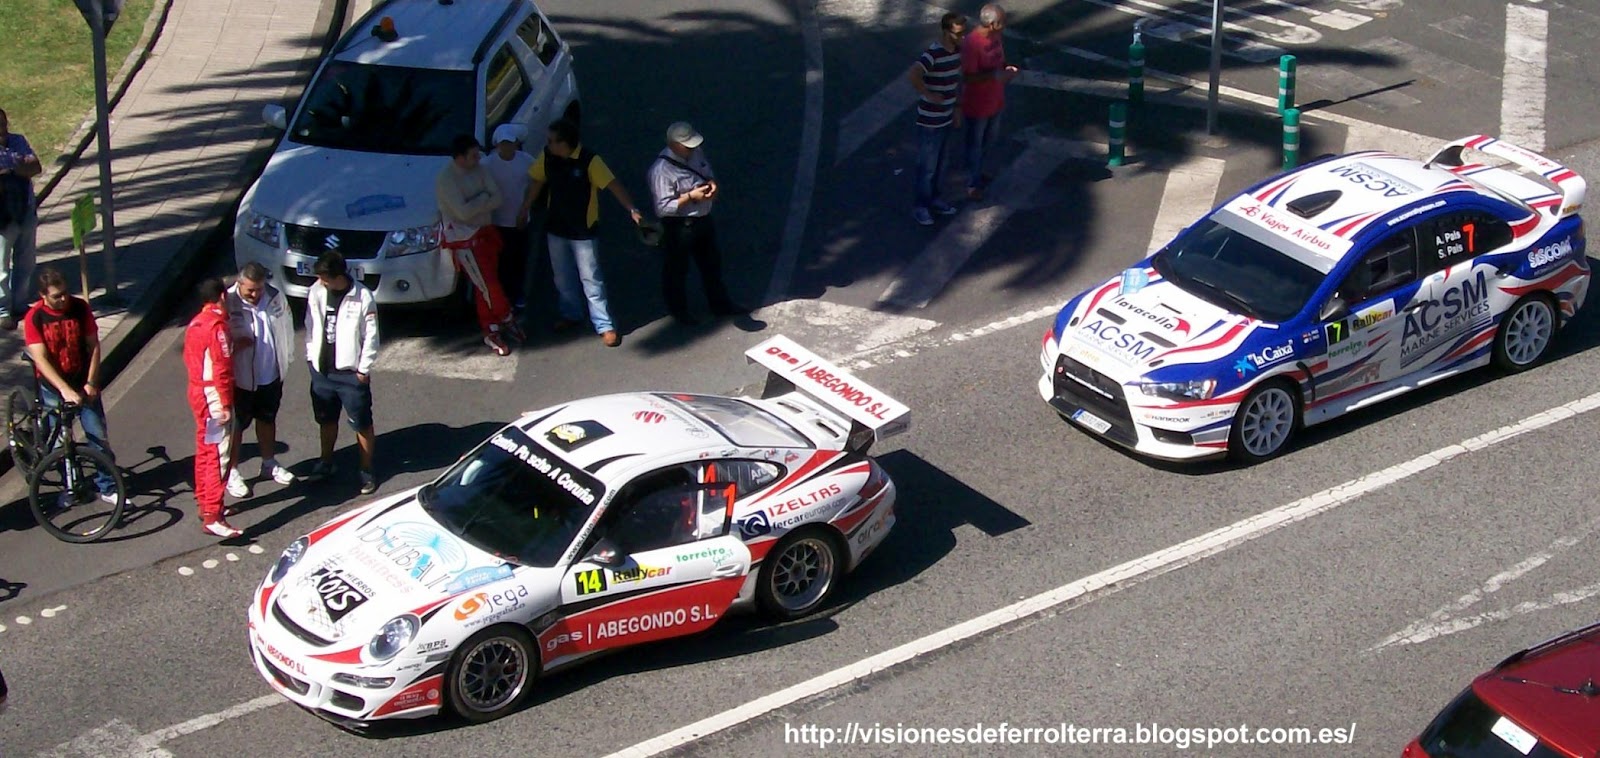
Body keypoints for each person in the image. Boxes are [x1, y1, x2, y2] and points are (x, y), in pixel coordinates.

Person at [520, 118, 644, 348]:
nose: (547, 145)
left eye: (552, 141)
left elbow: (613, 184)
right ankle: (571, 314)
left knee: (591, 279)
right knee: (562, 277)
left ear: (565, 143)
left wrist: (632, 209)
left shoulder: (589, 161)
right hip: (556, 227)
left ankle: (604, 325)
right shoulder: (548, 156)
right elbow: (537, 181)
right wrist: (525, 208)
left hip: (583, 230)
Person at [23, 267, 120, 505]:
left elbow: (93, 345)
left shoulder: (80, 308)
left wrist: (91, 381)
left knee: (97, 436)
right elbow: (41, 358)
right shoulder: (34, 318)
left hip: (82, 381)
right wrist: (64, 389)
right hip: (55, 387)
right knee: (60, 443)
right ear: (43, 295)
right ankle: (70, 486)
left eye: (65, 293)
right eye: (57, 296)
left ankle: (107, 486)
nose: (63, 299)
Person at [647, 122, 747, 323]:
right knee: (676, 271)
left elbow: (706, 172)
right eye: (687, 145)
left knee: (711, 265)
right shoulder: (661, 171)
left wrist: (712, 185)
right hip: (679, 227)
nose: (691, 148)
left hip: (703, 220)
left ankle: (720, 304)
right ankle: (680, 313)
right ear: (674, 144)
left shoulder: (696, 153)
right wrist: (691, 196)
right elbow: (663, 208)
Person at [437, 134, 521, 356]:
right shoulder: (446, 180)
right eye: (473, 156)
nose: (478, 159)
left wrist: (477, 203)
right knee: (488, 284)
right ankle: (503, 318)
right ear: (460, 158)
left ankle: (494, 325)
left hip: (484, 234)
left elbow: (497, 198)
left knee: (484, 284)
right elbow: (462, 213)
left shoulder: (480, 170)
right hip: (465, 242)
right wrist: (484, 199)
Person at [305, 251, 380, 495]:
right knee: (326, 419)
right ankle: (326, 462)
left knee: (361, 423)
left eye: (324, 278)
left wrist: (363, 368)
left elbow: (371, 335)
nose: (320, 282)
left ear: (338, 276)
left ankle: (366, 470)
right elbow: (310, 324)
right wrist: (311, 356)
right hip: (322, 371)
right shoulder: (316, 291)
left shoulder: (362, 297)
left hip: (350, 375)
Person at [224, 262, 297, 498]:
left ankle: (268, 463)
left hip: (270, 375)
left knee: (267, 419)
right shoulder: (226, 302)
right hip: (240, 379)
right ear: (239, 284)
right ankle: (232, 472)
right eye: (250, 291)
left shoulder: (275, 297)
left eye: (259, 289)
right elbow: (215, 343)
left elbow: (286, 327)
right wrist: (235, 346)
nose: (255, 295)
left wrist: (287, 359)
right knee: (237, 427)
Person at [183, 277, 243, 538]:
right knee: (220, 453)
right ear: (221, 296)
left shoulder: (196, 322)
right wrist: (226, 404)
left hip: (198, 391)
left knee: (205, 451)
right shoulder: (217, 326)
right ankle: (213, 515)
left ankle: (204, 502)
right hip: (214, 397)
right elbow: (221, 366)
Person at [908, 13, 968, 225]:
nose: (962, 37)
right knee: (927, 167)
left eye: (963, 33)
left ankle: (935, 199)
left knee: (942, 164)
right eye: (958, 33)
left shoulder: (958, 52)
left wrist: (958, 108)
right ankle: (921, 206)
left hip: (946, 117)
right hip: (930, 121)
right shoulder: (933, 54)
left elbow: (957, 82)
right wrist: (928, 94)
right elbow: (914, 74)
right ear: (946, 31)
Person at [961, 3, 1019, 201]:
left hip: (995, 100)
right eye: (1002, 23)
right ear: (993, 24)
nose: (1004, 26)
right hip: (977, 104)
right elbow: (968, 77)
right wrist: (995, 75)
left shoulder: (995, 37)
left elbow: (999, 59)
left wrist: (1005, 69)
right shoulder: (972, 44)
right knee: (975, 144)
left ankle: (977, 172)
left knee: (988, 141)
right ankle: (972, 183)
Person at [483, 124, 535, 313]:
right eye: (503, 144)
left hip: (519, 221)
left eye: (510, 144)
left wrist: (526, 208)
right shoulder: (487, 164)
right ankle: (504, 297)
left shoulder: (526, 161)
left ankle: (518, 293)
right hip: (497, 222)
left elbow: (536, 182)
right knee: (502, 262)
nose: (506, 148)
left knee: (519, 259)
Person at [0, 107, 42, 331]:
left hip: (25, 209)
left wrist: (9, 165)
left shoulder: (17, 140)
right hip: (2, 217)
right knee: (1, 267)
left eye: (3, 123)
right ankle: (2, 310)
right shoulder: (17, 150)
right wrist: (18, 165)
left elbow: (35, 166)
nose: (2, 130)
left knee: (26, 261)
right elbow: (24, 165)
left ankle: (19, 304)